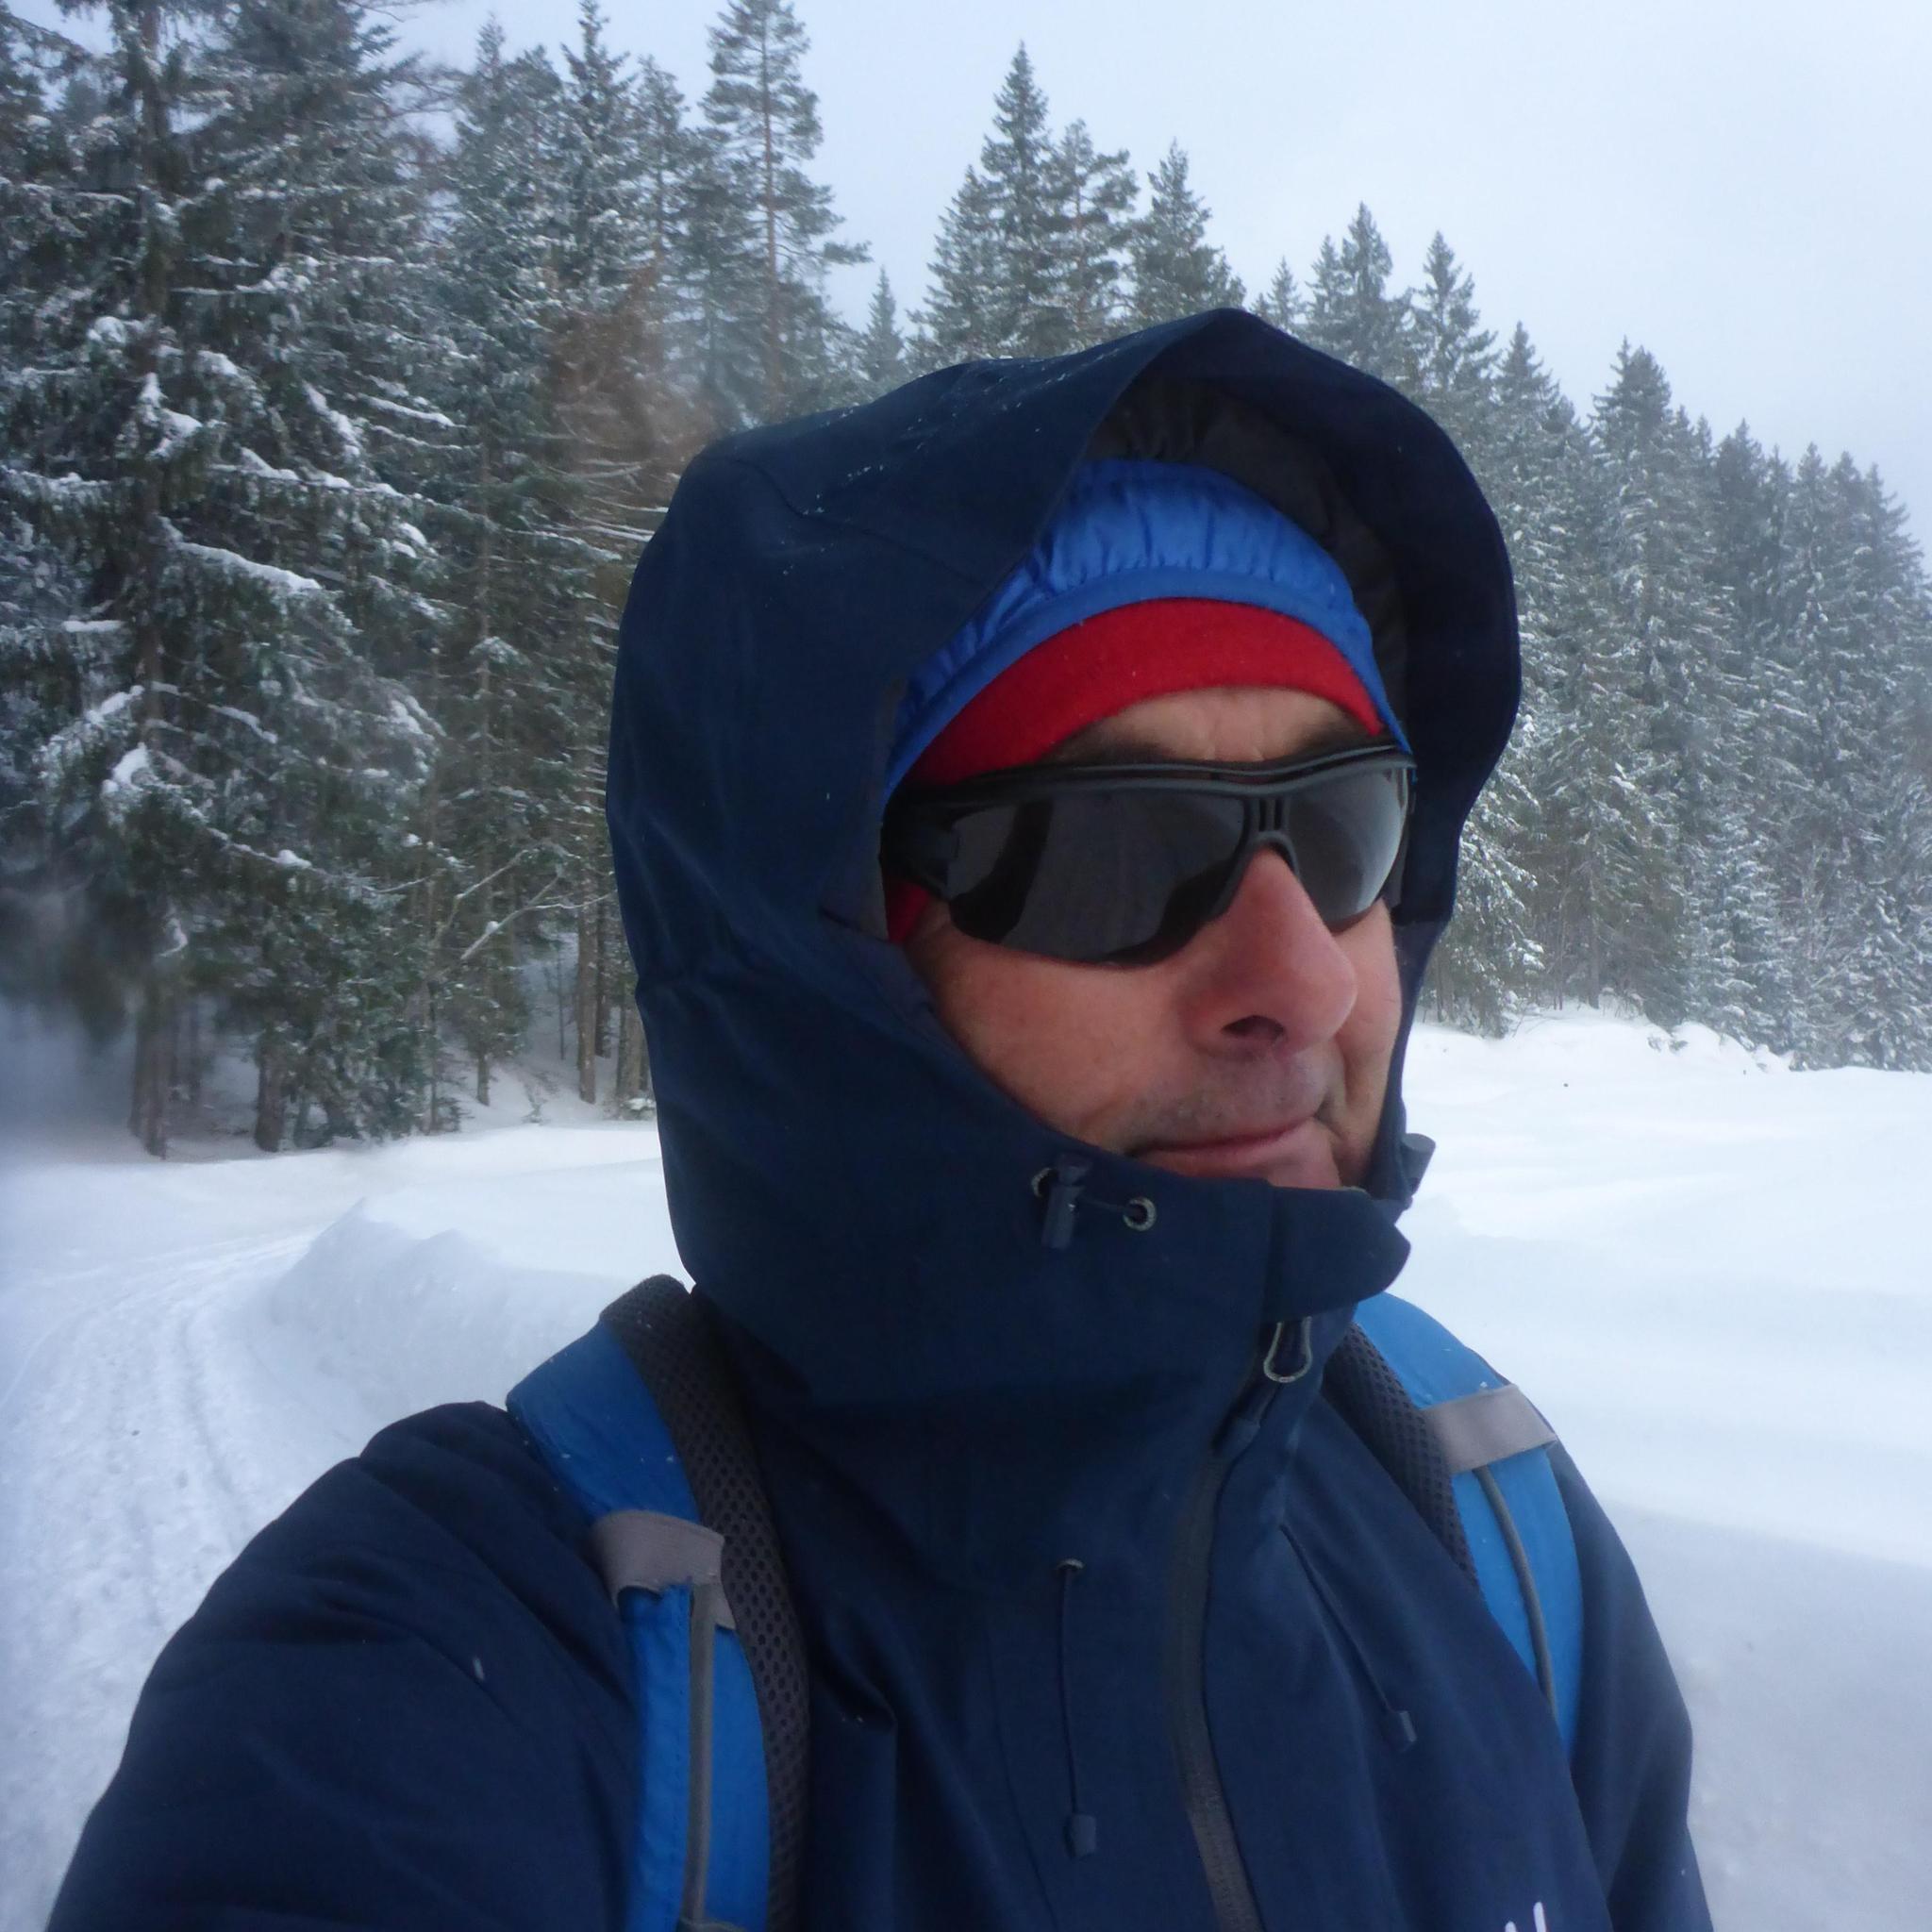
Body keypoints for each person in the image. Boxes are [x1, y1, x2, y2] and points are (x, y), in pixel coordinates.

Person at [53, 310, 1709, 1931]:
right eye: (1110, 855)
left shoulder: (1493, 1520)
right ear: (834, 969)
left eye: (1346, 835)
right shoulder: (460, 1666)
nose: (1308, 980)